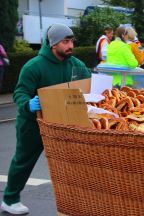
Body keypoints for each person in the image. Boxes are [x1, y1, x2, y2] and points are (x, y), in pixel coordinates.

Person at [1, 23, 90, 215]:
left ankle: (76, 201)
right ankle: (10, 199)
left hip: (63, 124)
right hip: (33, 123)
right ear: (53, 44)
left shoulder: (77, 65)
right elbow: (20, 92)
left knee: (71, 164)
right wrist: (27, 105)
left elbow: (89, 85)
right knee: (23, 160)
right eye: (65, 41)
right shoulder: (34, 66)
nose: (70, 46)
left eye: (71, 41)